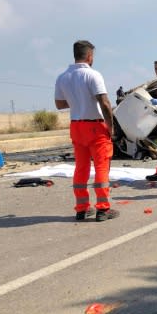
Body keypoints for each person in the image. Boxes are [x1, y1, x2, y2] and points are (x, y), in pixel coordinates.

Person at [55, 40, 119, 222]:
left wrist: (78, 101)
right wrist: (111, 127)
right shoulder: (93, 75)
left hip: (76, 126)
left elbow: (59, 104)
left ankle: (82, 208)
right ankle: (103, 208)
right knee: (101, 166)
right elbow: (105, 103)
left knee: (81, 168)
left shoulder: (62, 77)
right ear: (90, 56)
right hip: (95, 126)